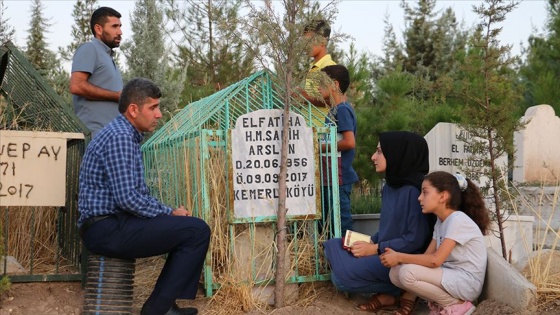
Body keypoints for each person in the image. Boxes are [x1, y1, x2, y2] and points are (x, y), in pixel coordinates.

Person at [78, 77, 210, 315]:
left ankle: (162, 306)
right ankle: (159, 309)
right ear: (133, 109)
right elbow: (128, 198)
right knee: (196, 231)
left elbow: (134, 196)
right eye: (153, 107)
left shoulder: (123, 134)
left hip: (111, 224)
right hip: (106, 228)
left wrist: (169, 215)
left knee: (186, 227)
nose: (158, 114)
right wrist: (169, 212)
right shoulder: (120, 137)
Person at [323, 131, 433, 313]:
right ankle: (392, 292)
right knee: (333, 245)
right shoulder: (390, 187)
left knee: (339, 279)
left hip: (401, 259)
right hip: (382, 250)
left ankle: (400, 290)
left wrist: (375, 249)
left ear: (398, 153)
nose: (373, 157)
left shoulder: (416, 192)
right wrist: (370, 241)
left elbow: (415, 240)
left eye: (380, 152)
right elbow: (387, 227)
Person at [381, 171, 490, 315]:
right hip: (451, 277)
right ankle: (443, 303)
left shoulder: (457, 220)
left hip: (466, 283)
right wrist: (399, 261)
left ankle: (459, 305)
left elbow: (435, 261)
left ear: (442, 196)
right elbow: (427, 256)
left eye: (425, 193)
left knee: (407, 273)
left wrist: (399, 257)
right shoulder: (441, 221)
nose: (419, 198)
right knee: (396, 272)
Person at [70, 6, 123, 138]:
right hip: (94, 137)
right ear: (98, 29)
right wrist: (116, 96)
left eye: (120, 26)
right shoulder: (89, 48)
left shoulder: (107, 56)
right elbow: (76, 86)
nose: (120, 32)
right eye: (114, 26)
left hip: (110, 136)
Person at [318, 65, 358, 237]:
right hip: (330, 179)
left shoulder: (342, 110)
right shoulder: (334, 110)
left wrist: (319, 147)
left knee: (341, 228)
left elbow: (349, 142)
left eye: (322, 84)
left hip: (339, 178)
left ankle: (349, 262)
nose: (318, 88)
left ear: (334, 84)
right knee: (328, 227)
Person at [300, 19, 336, 115]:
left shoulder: (329, 67)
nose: (306, 45)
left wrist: (303, 97)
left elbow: (333, 100)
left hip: (321, 128)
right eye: (304, 41)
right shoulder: (312, 67)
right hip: (308, 127)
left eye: (310, 40)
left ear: (323, 40)